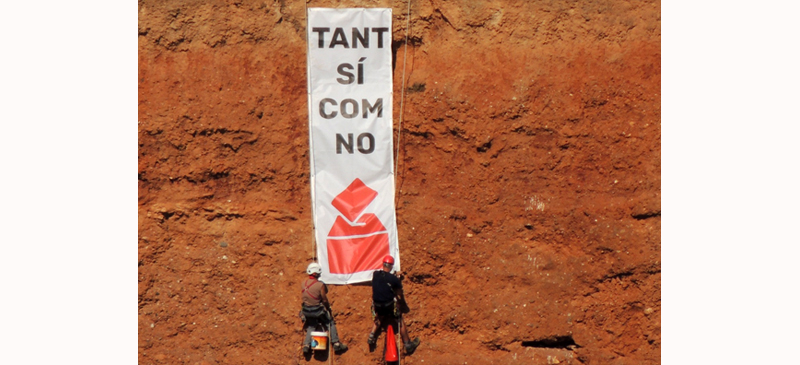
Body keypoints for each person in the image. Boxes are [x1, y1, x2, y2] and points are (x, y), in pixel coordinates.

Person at [368, 255, 420, 354]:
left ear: (383, 264)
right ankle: (408, 344)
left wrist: (394, 275)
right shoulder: (394, 280)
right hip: (389, 305)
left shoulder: (375, 274)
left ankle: (371, 335)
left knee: (379, 317)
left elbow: (385, 277)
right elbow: (399, 292)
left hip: (377, 305)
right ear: (391, 266)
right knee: (400, 321)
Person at [300, 262, 348, 354]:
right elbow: (324, 299)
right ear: (316, 273)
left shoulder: (303, 283)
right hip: (317, 310)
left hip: (306, 310)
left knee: (311, 325)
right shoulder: (320, 285)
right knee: (330, 323)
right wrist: (328, 308)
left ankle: (306, 345)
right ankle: (336, 343)